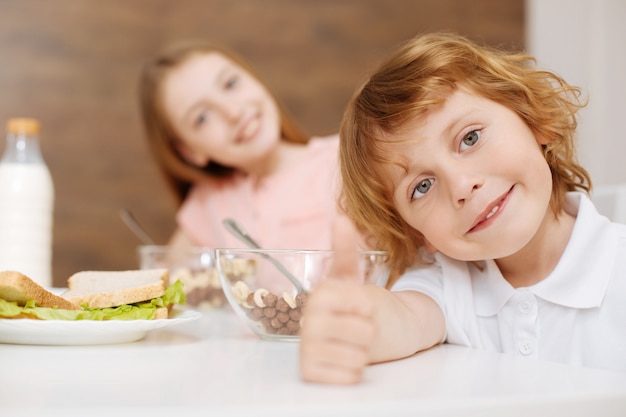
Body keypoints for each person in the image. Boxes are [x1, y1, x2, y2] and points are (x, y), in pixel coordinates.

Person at [299, 32, 626, 385]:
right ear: (416, 233)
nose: (461, 186)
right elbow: (402, 318)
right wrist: (352, 326)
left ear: (534, 120)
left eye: (470, 138)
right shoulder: (445, 282)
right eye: (422, 187)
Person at [139, 40, 362, 251]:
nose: (234, 112)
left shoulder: (351, 160)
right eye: (202, 118)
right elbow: (161, 278)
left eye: (231, 83)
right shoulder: (209, 204)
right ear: (190, 151)